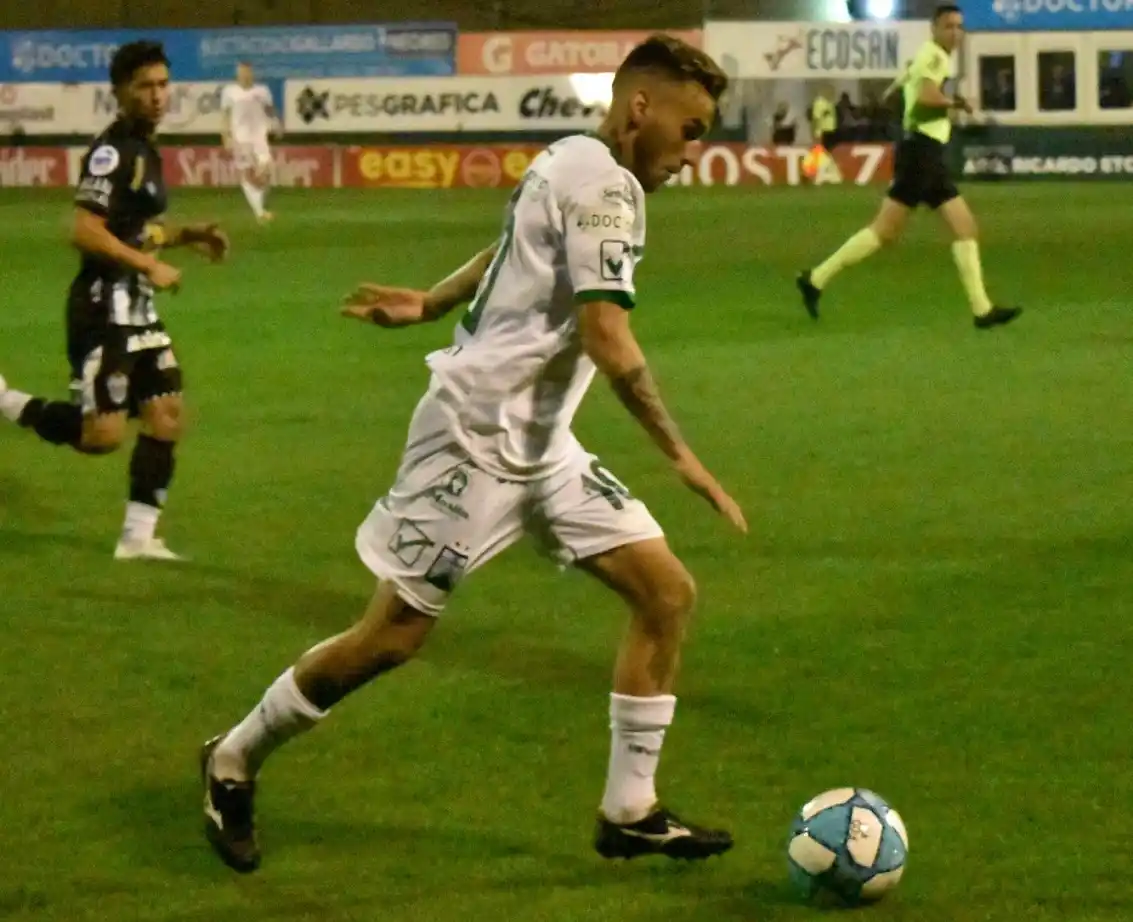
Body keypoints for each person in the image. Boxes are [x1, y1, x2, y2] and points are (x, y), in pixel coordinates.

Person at [200, 33, 746, 874]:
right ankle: (232, 758)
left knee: (665, 592)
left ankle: (628, 809)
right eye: (693, 126)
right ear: (642, 106)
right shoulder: (609, 187)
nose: (696, 149)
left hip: (541, 447)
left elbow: (510, 247)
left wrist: (430, 300)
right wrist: (682, 456)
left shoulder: (570, 157)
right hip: (469, 441)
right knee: (389, 640)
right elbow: (609, 336)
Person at [0, 40, 228, 560]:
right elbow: (85, 229)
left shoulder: (146, 147)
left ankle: (137, 539)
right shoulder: (114, 150)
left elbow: (135, 229)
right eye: (145, 86)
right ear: (121, 92)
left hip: (137, 307)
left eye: (163, 85)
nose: (157, 96)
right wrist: (149, 264)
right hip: (104, 309)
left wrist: (187, 234)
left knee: (167, 414)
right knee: (101, 435)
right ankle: (5, 400)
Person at [796, 5, 1022, 330]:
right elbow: (928, 97)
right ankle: (815, 279)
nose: (956, 33)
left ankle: (982, 310)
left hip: (926, 153)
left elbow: (902, 90)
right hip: (921, 152)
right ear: (934, 29)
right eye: (949, 26)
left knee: (965, 228)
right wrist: (956, 103)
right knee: (884, 232)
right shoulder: (935, 56)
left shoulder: (925, 56)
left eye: (960, 27)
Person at [220, 61, 281, 223]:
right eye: (241, 72)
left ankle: (260, 206)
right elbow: (225, 115)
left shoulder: (262, 91)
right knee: (247, 175)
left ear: (251, 73)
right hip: (241, 139)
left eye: (247, 72)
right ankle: (259, 212)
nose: (244, 75)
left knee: (265, 171)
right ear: (237, 74)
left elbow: (270, 109)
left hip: (260, 137)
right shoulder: (229, 92)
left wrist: (277, 123)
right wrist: (225, 136)